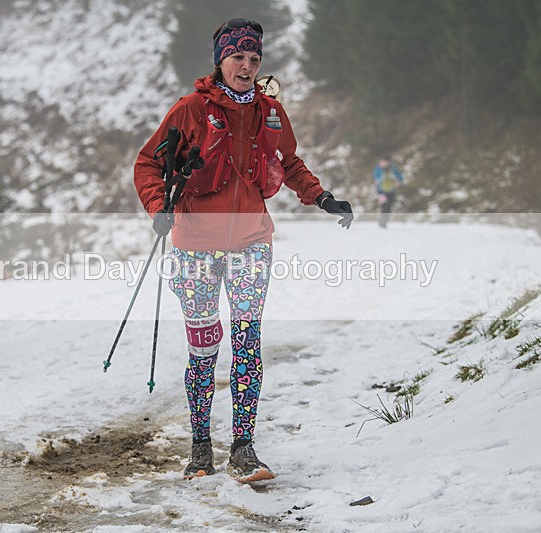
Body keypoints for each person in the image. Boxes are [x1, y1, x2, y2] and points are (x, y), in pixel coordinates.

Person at [134, 18, 353, 483]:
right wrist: (158, 207)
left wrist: (320, 196)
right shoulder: (189, 109)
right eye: (238, 57)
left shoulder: (269, 111)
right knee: (204, 347)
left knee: (247, 342)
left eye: (254, 59)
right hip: (195, 243)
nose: (247, 66)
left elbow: (288, 162)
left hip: (252, 240)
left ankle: (244, 450)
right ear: (220, 59)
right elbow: (148, 162)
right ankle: (199, 449)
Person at [373, 156, 404, 228]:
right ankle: (382, 222)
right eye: (383, 162)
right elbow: (376, 178)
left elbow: (400, 176)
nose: (384, 164)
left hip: (391, 190)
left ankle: (384, 221)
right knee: (385, 205)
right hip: (381, 191)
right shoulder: (378, 169)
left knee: (389, 206)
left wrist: (399, 182)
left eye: (386, 162)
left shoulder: (393, 168)